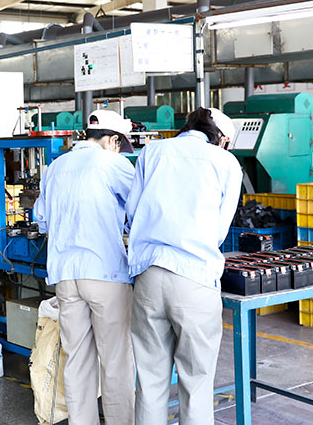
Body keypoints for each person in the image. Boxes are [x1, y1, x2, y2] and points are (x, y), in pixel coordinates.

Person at [126, 107, 242, 425]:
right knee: (196, 381)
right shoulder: (225, 162)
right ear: (222, 139)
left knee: (150, 380)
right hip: (195, 278)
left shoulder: (153, 152)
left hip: (149, 275)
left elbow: (132, 213)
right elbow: (219, 231)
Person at [33, 109, 137, 425]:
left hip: (66, 275)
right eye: (120, 145)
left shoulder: (56, 166)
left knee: (76, 359)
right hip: (105, 273)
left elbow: (41, 219)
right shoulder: (114, 164)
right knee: (115, 361)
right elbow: (139, 212)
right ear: (113, 140)